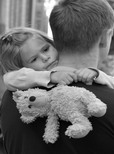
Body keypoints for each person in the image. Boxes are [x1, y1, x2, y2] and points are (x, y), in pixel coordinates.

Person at [1, 0, 114, 154]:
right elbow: (11, 78)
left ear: (55, 39)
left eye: (46, 49)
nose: (45, 58)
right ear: (105, 37)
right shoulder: (21, 92)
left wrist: (95, 73)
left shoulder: (10, 101)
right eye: (33, 59)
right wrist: (52, 76)